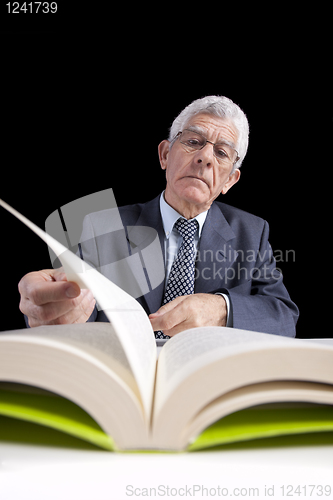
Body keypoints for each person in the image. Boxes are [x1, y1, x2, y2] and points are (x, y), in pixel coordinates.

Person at [18, 96, 299, 337]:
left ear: (230, 181)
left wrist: (222, 308)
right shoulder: (104, 226)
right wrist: (56, 310)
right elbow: (76, 307)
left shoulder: (252, 232)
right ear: (165, 155)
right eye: (193, 141)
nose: (205, 157)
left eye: (222, 152)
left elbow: (284, 316)